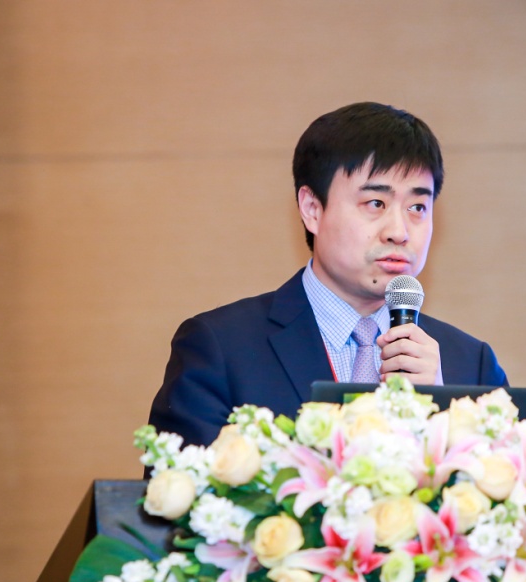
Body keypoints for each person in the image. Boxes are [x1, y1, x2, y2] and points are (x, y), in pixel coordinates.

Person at [148, 102, 507, 447]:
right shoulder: (221, 349)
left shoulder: (471, 366)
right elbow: (176, 483)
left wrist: (441, 410)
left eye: (417, 207)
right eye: (376, 203)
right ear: (312, 209)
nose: (399, 232)